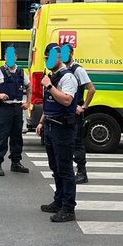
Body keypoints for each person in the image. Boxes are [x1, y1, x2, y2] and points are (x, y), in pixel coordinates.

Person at [35, 43, 80, 223]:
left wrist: (49, 86)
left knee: (65, 169)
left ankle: (68, 208)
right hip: (51, 126)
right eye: (46, 58)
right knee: (55, 168)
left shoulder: (67, 77)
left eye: (51, 58)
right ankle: (59, 200)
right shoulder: (52, 76)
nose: (48, 61)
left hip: (63, 128)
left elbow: (67, 100)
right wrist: (41, 122)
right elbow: (50, 103)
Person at [0, 46, 30, 176]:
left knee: (17, 137)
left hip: (17, 108)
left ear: (16, 57)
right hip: (3, 108)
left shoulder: (21, 72)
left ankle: (16, 162)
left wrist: (28, 102)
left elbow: (28, 86)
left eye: (12, 56)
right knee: (0, 136)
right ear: (5, 57)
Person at [62, 45, 97, 184]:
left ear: (71, 53)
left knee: (77, 142)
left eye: (67, 53)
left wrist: (84, 106)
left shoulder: (78, 70)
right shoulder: (63, 70)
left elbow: (92, 89)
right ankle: (67, 171)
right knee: (65, 141)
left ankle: (82, 172)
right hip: (66, 110)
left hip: (75, 112)